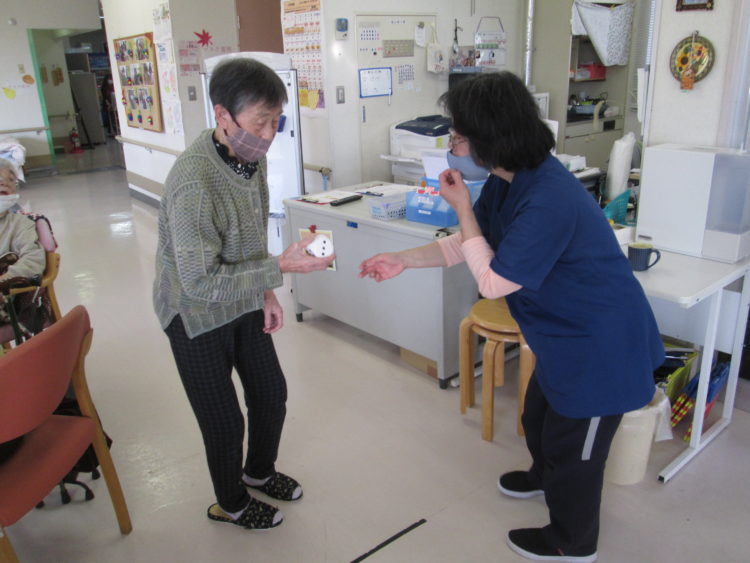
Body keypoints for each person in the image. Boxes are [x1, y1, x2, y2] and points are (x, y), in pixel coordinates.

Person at [359, 72, 664, 562]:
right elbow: (469, 243)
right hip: (561, 337)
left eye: (458, 136)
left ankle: (572, 542)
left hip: (601, 347)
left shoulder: (549, 197)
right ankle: (544, 477)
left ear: (492, 138)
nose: (452, 145)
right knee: (538, 417)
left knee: (577, 452)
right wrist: (404, 259)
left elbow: (493, 281)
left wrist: (461, 206)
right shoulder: (509, 181)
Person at [153, 58, 334, 531]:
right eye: (260, 122)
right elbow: (199, 282)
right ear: (223, 115)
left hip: (243, 298)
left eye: (276, 121)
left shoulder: (250, 158)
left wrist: (268, 292)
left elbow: (253, 233)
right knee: (224, 420)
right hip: (193, 314)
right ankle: (230, 503)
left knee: (271, 393)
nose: (269, 134)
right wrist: (279, 268)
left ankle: (258, 472)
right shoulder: (193, 183)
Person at [0, 158, 45, 284]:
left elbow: (33, 260)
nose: (5, 183)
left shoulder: (21, 223)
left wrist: (5, 278)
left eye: (11, 179)